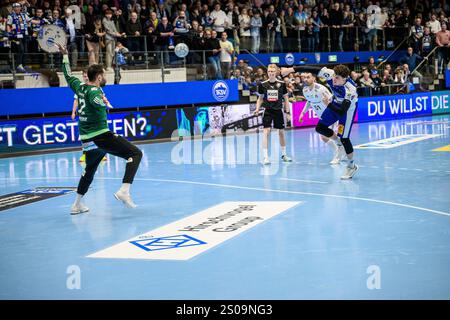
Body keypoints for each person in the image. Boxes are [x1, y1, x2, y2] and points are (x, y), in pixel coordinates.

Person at [56, 42, 142, 214]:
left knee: (89, 170)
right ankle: (124, 191)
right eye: (102, 75)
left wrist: (65, 55)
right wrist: (103, 103)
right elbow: (96, 102)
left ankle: (77, 204)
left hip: (86, 139)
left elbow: (66, 74)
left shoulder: (79, 87)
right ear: (99, 77)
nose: (103, 78)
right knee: (135, 154)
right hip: (101, 135)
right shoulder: (95, 91)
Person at [282, 64, 359, 179]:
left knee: (345, 138)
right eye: (333, 76)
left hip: (347, 110)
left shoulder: (350, 90)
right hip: (335, 102)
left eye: (337, 78)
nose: (333, 80)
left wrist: (328, 104)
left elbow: (342, 111)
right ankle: (339, 144)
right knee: (320, 128)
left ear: (345, 78)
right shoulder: (331, 74)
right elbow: (310, 68)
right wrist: (290, 70)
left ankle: (351, 166)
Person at [297, 73, 344, 164]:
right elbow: (309, 101)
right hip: (321, 116)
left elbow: (332, 99)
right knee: (324, 137)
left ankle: (338, 154)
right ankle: (340, 149)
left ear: (314, 78)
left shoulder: (321, 89)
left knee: (324, 135)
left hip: (329, 114)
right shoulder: (305, 90)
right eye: (305, 77)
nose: (305, 79)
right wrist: (303, 113)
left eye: (308, 77)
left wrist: (333, 111)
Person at [254, 64, 292, 165]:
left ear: (276, 72)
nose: (271, 73)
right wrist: (257, 108)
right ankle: (266, 157)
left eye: (272, 71)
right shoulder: (263, 84)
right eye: (269, 72)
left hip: (278, 111)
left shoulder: (281, 84)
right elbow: (260, 98)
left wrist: (287, 112)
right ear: (267, 73)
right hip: (267, 111)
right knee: (266, 131)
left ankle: (284, 155)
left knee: (281, 133)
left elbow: (286, 99)